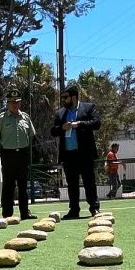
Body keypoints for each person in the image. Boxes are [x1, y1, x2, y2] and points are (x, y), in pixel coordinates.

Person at [50, 83, 101, 219]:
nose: (64, 100)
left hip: (84, 154)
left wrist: (79, 124)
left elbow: (96, 123)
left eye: (66, 97)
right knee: (72, 184)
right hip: (68, 155)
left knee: (89, 181)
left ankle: (94, 208)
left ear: (74, 97)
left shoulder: (88, 108)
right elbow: (53, 131)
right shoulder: (61, 113)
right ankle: (74, 210)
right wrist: (63, 127)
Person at [0, 87, 37, 220]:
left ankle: (25, 213)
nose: (15, 104)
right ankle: (7, 213)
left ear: (20, 103)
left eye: (17, 102)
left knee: (23, 185)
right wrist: (2, 150)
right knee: (8, 185)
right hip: (8, 155)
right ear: (7, 103)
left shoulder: (26, 117)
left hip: (23, 154)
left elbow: (32, 135)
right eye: (12, 102)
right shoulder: (1, 119)